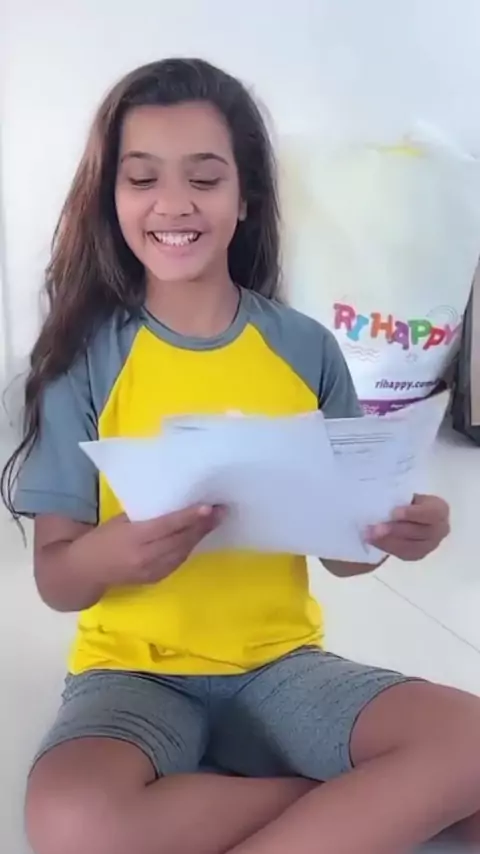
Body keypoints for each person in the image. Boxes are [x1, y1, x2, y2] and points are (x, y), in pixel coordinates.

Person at [1, 57, 479, 854]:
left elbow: (347, 556)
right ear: (112, 196)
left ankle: (358, 800)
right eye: (142, 178)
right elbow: (57, 579)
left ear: (245, 196)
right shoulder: (82, 360)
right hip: (132, 675)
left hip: (281, 669)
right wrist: (114, 553)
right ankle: (359, 803)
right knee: (72, 820)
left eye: (205, 178)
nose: (173, 203)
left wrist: (392, 531)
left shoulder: (305, 349)